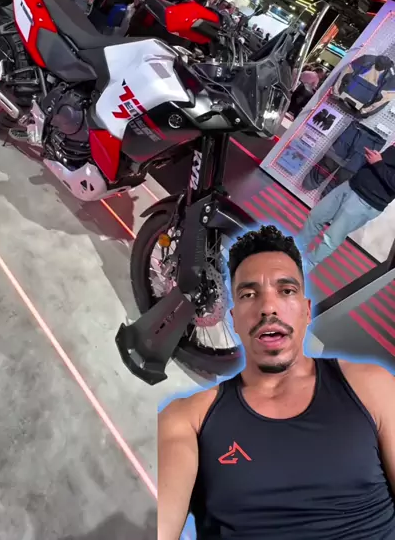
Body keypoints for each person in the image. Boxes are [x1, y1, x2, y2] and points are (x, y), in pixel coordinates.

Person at [159, 225, 395, 540]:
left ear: (307, 312)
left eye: (286, 291)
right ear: (234, 319)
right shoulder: (188, 420)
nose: (268, 307)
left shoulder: (372, 388)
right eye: (249, 294)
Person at [298, 144, 395, 272]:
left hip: (367, 201)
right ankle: (294, 250)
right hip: (351, 185)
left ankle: (304, 268)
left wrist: (378, 163)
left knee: (332, 238)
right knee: (315, 217)